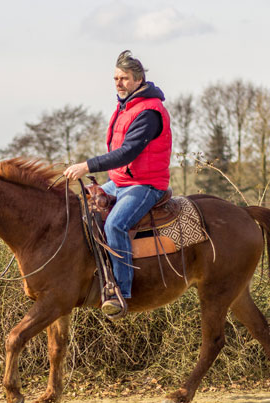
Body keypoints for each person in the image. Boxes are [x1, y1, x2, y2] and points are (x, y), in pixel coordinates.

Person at [63, 50, 172, 319]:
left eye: (124, 78)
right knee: (82, 209)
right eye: (115, 78)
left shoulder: (149, 112)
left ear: (138, 80)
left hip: (145, 185)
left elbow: (127, 152)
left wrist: (86, 166)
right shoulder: (125, 106)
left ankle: (121, 292)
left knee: (115, 225)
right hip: (120, 181)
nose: (118, 83)